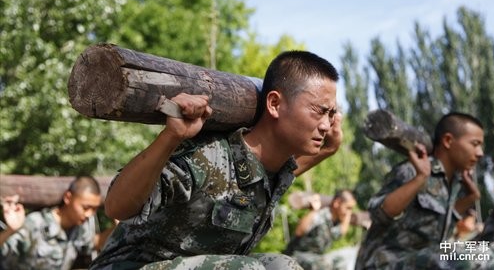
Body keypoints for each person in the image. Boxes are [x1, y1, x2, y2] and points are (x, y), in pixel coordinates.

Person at [89, 50, 343, 270]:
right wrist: (170, 137)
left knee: (283, 265)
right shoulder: (207, 158)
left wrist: (329, 149)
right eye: (319, 111)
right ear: (275, 104)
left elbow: (262, 179)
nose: (326, 124)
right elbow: (115, 208)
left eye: (332, 114)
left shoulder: (274, 173)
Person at [355, 112, 494, 269]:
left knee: (485, 251)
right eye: (475, 144)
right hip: (385, 263)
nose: (480, 153)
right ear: (448, 141)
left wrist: (473, 196)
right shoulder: (413, 170)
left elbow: (438, 229)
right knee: (475, 258)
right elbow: (378, 213)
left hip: (423, 258)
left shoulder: (455, 182)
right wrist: (420, 178)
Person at [0, 175, 117, 270]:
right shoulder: (35, 223)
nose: (89, 214)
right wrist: (11, 230)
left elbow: (94, 242)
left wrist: (117, 227)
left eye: (95, 209)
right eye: (86, 207)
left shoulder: (79, 227)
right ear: (68, 197)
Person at [284, 189, 357, 270]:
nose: (349, 212)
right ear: (337, 203)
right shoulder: (321, 215)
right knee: (325, 264)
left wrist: (347, 214)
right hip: (296, 256)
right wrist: (314, 211)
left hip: (315, 258)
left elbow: (341, 232)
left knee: (343, 261)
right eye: (348, 208)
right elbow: (299, 231)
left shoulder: (334, 222)